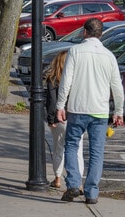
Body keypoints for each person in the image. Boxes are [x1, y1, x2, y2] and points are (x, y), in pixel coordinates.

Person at [56, 18, 124, 205]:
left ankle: (73, 183)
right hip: (100, 111)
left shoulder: (75, 51)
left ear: (84, 32)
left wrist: (60, 105)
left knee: (71, 145)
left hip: (77, 107)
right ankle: (92, 192)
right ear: (101, 34)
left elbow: (66, 81)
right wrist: (119, 111)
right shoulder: (109, 55)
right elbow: (117, 86)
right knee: (96, 152)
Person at [44, 50, 84, 189]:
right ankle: (78, 182)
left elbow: (51, 100)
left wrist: (50, 118)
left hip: (59, 118)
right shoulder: (77, 78)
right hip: (75, 116)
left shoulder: (53, 78)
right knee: (77, 150)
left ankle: (57, 178)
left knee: (58, 148)